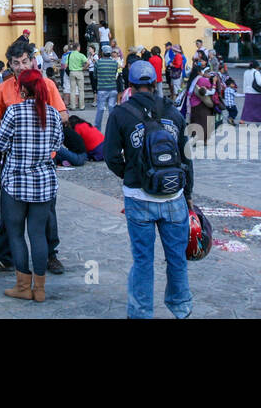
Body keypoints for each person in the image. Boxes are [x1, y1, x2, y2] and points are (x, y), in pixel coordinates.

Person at [104, 59, 194, 319]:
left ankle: (141, 312)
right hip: (173, 195)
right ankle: (181, 307)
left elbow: (110, 157)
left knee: (143, 260)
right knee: (176, 256)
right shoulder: (173, 112)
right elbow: (186, 157)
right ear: (156, 83)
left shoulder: (120, 114)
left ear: (130, 85)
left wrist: (132, 176)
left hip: (138, 197)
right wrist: (188, 194)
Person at [0, 38, 69, 277]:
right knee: (9, 214)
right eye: (15, 62)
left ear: (32, 61)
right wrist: (2, 141)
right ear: (9, 64)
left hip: (42, 162)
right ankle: (5, 256)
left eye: (24, 61)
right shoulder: (4, 88)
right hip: (13, 161)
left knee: (47, 214)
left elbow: (62, 115)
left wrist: (41, 141)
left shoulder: (47, 85)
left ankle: (51, 255)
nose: (20, 66)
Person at [0, 65, 64, 302]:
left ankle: (23, 286)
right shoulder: (53, 114)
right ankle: (40, 289)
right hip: (44, 183)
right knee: (38, 234)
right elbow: (56, 145)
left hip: (15, 182)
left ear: (23, 89)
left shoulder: (13, 113)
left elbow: (1, 144)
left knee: (15, 233)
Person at [93, 47, 120, 129]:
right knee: (112, 110)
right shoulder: (114, 62)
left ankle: (98, 129)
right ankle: (114, 128)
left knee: (100, 110)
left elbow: (95, 75)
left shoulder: (98, 62)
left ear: (102, 53)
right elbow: (115, 73)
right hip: (113, 88)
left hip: (102, 89)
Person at [240, 59, 261, 126]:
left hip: (248, 92)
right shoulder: (256, 72)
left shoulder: (246, 72)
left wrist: (244, 92)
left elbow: (244, 83)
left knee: (247, 107)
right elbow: (260, 83)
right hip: (256, 93)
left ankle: (242, 120)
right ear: (257, 66)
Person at [63, 40, 88, 111]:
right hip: (79, 72)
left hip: (72, 72)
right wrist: (83, 68)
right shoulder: (81, 55)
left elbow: (65, 65)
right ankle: (81, 106)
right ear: (78, 47)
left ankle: (73, 106)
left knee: (72, 90)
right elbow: (88, 63)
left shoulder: (69, 55)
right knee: (81, 90)